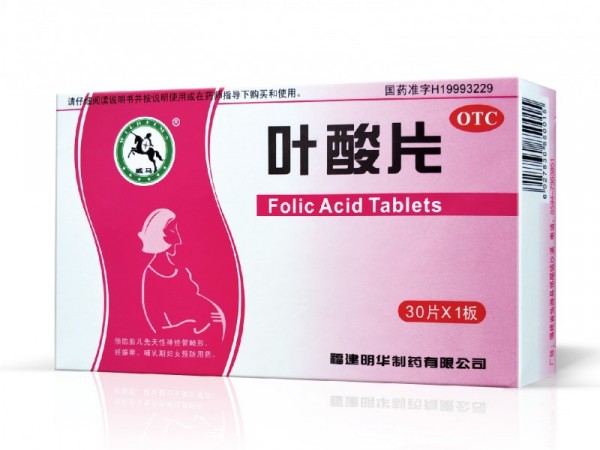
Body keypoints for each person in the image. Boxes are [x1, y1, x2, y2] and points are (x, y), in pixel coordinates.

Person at [138, 208, 225, 338]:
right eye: (174, 231)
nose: (179, 240)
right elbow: (158, 327)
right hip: (188, 337)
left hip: (207, 335)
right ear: (159, 235)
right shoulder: (152, 276)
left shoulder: (181, 270)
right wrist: (187, 326)